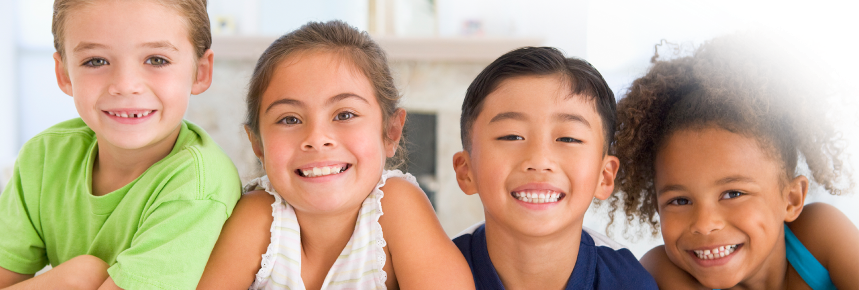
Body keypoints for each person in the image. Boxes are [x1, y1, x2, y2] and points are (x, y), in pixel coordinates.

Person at [197, 20, 474, 290]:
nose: (316, 139)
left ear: (390, 132)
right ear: (258, 145)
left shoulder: (397, 207)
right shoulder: (259, 217)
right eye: (290, 119)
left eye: (345, 115)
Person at [0, 0, 241, 289]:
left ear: (200, 72)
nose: (126, 85)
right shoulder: (43, 157)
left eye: (156, 60)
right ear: (64, 74)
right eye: (96, 61)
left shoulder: (198, 187)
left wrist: (80, 279)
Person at [613, 28, 859, 289]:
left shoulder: (820, 234)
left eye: (733, 194)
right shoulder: (660, 270)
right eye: (679, 200)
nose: (705, 224)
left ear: (791, 198)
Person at [451, 46, 657, 289]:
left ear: (605, 176)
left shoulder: (629, 282)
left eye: (568, 139)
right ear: (466, 171)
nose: (539, 160)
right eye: (512, 136)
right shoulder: (431, 272)